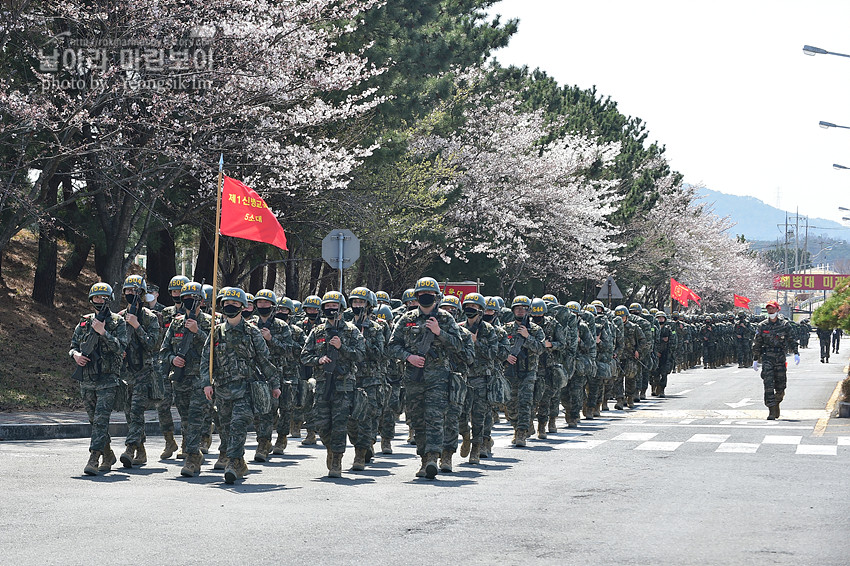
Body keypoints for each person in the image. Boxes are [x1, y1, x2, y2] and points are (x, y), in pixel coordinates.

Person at [387, 277, 464, 479]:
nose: (425, 297)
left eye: (429, 294)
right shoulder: (406, 319)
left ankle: (433, 458)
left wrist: (440, 333)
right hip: (414, 377)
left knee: (435, 418)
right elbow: (392, 346)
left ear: (437, 297)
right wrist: (408, 357)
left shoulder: (446, 319)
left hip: (439, 378)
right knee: (417, 420)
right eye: (421, 294)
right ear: (417, 296)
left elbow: (458, 345)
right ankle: (423, 458)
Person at [202, 287, 280, 484]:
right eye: (227, 303)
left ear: (243, 307)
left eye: (235, 304)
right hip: (222, 389)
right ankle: (240, 463)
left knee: (238, 426)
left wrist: (275, 384)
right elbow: (206, 361)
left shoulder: (252, 332)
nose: (231, 306)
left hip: (245, 389)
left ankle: (232, 464)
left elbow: (264, 360)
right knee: (226, 429)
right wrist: (206, 384)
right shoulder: (216, 333)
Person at [300, 291, 366, 478]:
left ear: (342, 309)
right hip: (322, 385)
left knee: (339, 425)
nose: (331, 309)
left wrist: (341, 347)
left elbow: (361, 355)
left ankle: (336, 459)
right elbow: (304, 356)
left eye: (334, 306)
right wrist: (318, 359)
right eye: (327, 306)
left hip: (344, 386)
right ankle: (330, 448)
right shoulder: (318, 331)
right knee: (321, 424)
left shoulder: (351, 331)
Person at [70, 283, 128, 475]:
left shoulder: (118, 322)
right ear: (91, 300)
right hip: (86, 380)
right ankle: (108, 453)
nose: (100, 301)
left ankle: (94, 458)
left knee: (102, 420)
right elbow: (73, 345)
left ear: (109, 299)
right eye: (97, 298)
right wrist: (76, 355)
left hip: (108, 380)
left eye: (104, 298)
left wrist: (103, 332)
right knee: (94, 421)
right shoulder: (84, 322)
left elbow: (121, 348)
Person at [157, 282, 212, 476]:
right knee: (186, 420)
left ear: (202, 302)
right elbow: (164, 351)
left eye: (193, 299)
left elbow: (216, 350)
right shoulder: (176, 323)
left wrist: (199, 332)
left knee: (196, 418)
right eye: (186, 298)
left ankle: (190, 460)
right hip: (180, 380)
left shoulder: (211, 323)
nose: (189, 302)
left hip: (201, 379)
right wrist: (173, 359)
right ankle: (193, 452)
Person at [117, 275, 162, 468]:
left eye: (135, 291)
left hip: (144, 372)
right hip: (126, 374)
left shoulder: (150, 318)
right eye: (128, 291)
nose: (131, 294)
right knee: (129, 413)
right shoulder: (118, 318)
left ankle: (129, 448)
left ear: (142, 294)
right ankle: (141, 450)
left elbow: (153, 345)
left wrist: (137, 326)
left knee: (136, 410)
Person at [752, 301, 799, 420]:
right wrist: (755, 359)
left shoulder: (785, 325)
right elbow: (757, 342)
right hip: (767, 357)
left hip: (780, 357)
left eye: (772, 309)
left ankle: (777, 401)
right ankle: (771, 410)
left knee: (780, 385)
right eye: (768, 309)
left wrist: (796, 352)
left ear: (777, 310)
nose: (770, 311)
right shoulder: (762, 325)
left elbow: (792, 339)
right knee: (768, 384)